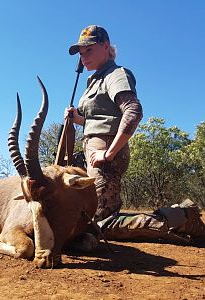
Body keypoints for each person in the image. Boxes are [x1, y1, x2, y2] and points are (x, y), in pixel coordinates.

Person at [66, 25, 143, 225]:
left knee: (100, 223)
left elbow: (133, 111)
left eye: (89, 49)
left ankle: (179, 219)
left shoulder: (116, 74)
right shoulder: (95, 80)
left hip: (104, 158)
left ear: (106, 46)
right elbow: (101, 119)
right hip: (92, 154)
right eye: (81, 53)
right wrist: (78, 120)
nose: (83, 56)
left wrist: (108, 154)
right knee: (79, 217)